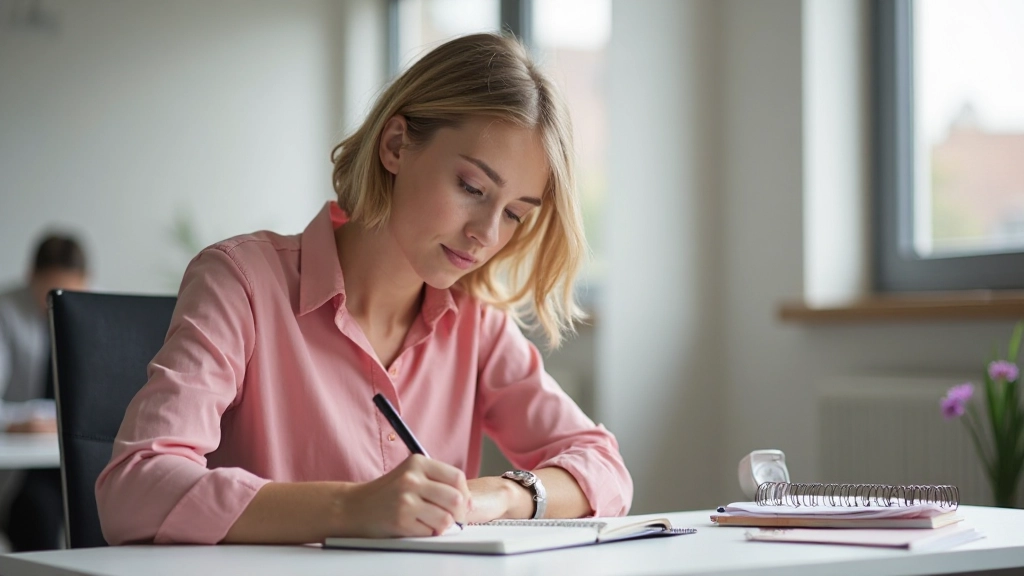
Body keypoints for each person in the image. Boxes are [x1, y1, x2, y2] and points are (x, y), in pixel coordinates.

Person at [95, 33, 632, 545]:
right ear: (396, 145)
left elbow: (605, 469)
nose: (487, 234)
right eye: (471, 187)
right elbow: (134, 488)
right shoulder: (242, 282)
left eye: (515, 213)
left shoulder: (476, 324)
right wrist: (349, 508)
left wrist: (500, 496)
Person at [0, 233, 89, 551]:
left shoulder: (96, 316)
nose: (58, 301)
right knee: (40, 510)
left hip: (79, 459)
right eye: (49, 291)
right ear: (30, 278)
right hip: (23, 470)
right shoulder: (6, 313)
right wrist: (19, 421)